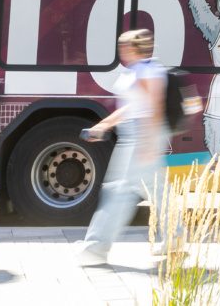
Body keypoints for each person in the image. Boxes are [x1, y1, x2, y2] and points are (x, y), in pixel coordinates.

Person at [78, 29, 167, 265]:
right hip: (136, 133)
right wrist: (104, 125)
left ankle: (96, 248)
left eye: (124, 46)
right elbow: (131, 107)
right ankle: (176, 237)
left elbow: (154, 107)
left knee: (119, 191)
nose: (121, 51)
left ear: (134, 48)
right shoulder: (137, 70)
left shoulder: (146, 71)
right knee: (157, 190)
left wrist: (148, 142)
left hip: (142, 134)